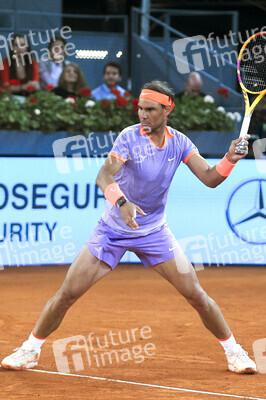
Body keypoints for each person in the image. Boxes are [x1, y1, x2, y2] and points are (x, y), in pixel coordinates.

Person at [1, 80, 256, 375]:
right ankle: (30, 349)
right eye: (140, 109)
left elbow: (211, 179)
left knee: (197, 295)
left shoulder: (180, 143)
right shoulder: (128, 138)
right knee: (67, 294)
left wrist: (230, 159)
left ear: (167, 109)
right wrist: (122, 203)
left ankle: (234, 352)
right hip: (112, 231)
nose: (143, 115)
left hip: (154, 232)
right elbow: (103, 175)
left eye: (150, 109)